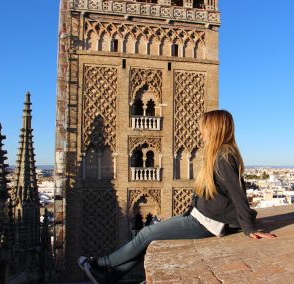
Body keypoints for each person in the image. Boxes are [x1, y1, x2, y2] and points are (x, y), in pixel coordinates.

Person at [78, 110, 277, 284]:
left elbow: (237, 193)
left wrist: (248, 228)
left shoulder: (223, 156)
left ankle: (99, 264)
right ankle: (108, 279)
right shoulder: (218, 154)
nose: (202, 132)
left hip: (207, 223)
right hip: (199, 217)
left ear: (215, 129)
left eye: (204, 128)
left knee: (146, 234)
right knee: (150, 239)